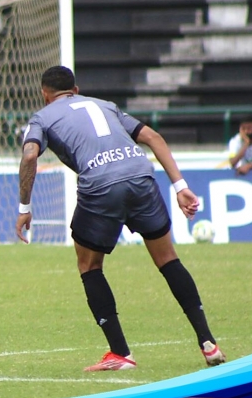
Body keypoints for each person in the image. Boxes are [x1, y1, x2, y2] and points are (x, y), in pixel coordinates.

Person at [16, 66, 225, 371]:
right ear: (76, 90)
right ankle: (208, 343)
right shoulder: (106, 105)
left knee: (89, 265)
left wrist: (24, 206)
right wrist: (181, 187)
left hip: (101, 186)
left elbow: (30, 155)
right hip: (141, 176)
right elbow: (152, 136)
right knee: (168, 259)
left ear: (44, 94)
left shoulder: (41, 117)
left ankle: (121, 353)